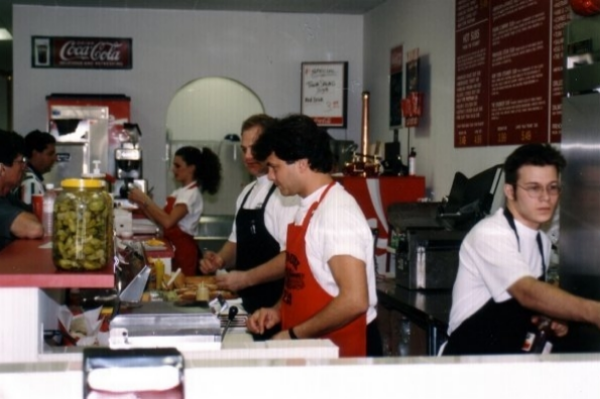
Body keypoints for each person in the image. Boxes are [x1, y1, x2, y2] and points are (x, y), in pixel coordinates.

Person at [443, 143, 600, 355]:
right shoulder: (490, 234)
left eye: (552, 187)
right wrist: (593, 312)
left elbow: (523, 308)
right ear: (510, 191)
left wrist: (549, 317)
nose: (546, 197)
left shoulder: (540, 242)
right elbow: (526, 292)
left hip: (509, 364)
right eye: (534, 188)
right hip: (469, 363)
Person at [245, 114, 380, 357]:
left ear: (302, 163)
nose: (271, 177)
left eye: (275, 167)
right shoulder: (306, 206)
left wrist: (295, 335)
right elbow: (300, 281)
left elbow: (355, 299)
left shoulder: (336, 213)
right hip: (315, 349)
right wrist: (278, 311)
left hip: (345, 352)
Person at [199, 114, 300, 337]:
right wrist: (220, 259)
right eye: (244, 149)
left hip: (274, 308)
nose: (248, 156)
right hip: (247, 305)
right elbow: (236, 243)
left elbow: (291, 258)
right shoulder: (246, 193)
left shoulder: (285, 195)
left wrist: (246, 278)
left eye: (254, 148)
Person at [128, 146, 221, 276]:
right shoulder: (180, 192)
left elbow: (168, 222)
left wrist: (145, 200)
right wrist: (142, 204)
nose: (173, 169)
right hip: (173, 247)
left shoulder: (191, 194)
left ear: (191, 168)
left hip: (184, 251)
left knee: (180, 288)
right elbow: (159, 219)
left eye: (178, 166)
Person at [0, 129, 44, 250]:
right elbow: (34, 229)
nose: (24, 167)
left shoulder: (6, 196)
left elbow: (38, 215)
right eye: (21, 162)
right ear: (2, 168)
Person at [19, 130, 57, 204]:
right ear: (35, 154)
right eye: (50, 154)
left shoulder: (26, 176)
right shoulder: (31, 182)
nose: (54, 158)